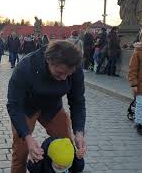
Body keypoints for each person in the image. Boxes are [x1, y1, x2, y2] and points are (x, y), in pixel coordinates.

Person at [7, 41, 86, 173]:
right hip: (27, 108)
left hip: (52, 107)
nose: (64, 78)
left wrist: (79, 132)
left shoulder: (75, 67)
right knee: (21, 152)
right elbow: (14, 105)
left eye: (68, 74)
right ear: (49, 61)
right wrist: (28, 138)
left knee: (67, 147)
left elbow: (77, 100)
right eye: (60, 73)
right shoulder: (26, 67)